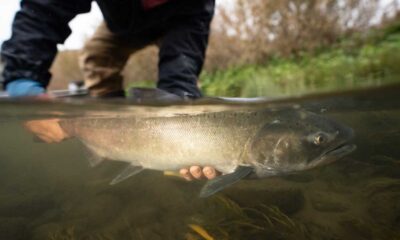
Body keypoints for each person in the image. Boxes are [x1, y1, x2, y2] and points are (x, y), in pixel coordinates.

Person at [2, 0, 219, 180]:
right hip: (122, 26)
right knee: (95, 58)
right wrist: (23, 80)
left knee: (182, 97)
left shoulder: (198, 6)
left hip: (178, 22)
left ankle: (156, 152)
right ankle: (111, 141)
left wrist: (183, 118)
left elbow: (181, 72)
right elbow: (42, 11)